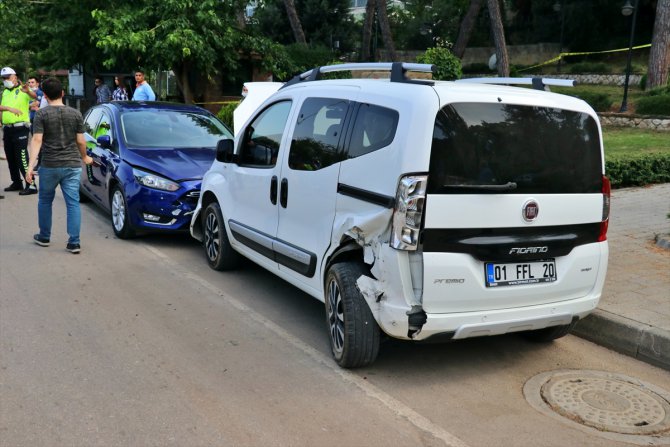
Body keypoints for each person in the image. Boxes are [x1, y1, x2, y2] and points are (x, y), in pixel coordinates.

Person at [25, 77, 93, 254]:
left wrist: (30, 166)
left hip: (49, 164)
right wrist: (84, 157)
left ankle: (44, 236)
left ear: (45, 96)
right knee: (73, 203)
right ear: (63, 93)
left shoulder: (41, 114)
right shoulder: (76, 114)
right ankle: (74, 242)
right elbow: (80, 141)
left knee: (45, 201)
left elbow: (37, 140)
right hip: (72, 165)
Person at [1, 66, 37, 195]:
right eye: (3, 78)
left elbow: (34, 97)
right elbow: (3, 108)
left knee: (22, 157)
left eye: (8, 77)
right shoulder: (5, 92)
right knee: (10, 158)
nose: (5, 80)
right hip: (8, 129)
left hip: (20, 128)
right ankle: (16, 182)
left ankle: (31, 185)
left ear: (15, 77)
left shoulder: (23, 90)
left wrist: (28, 91)